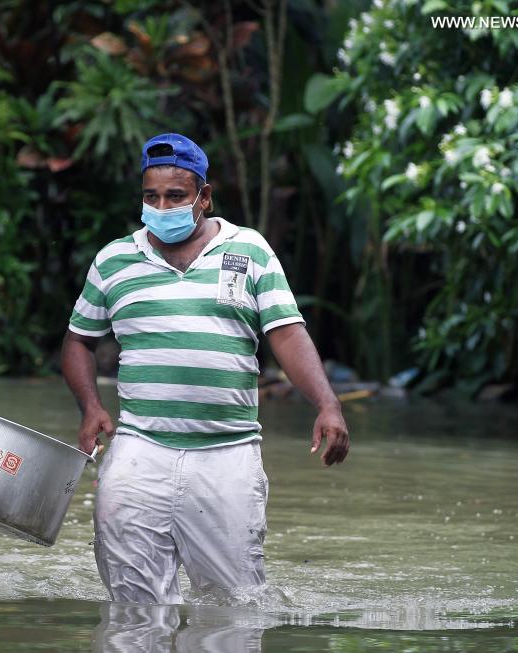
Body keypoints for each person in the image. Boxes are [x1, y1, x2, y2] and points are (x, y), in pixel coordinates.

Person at [62, 133, 349, 605]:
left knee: (234, 609)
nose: (161, 206)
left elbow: (287, 334)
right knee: (134, 610)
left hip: (227, 455)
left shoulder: (250, 251)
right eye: (150, 196)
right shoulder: (114, 260)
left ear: (204, 197)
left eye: (175, 196)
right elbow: (78, 340)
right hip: (139, 451)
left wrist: (327, 403)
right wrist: (90, 407)